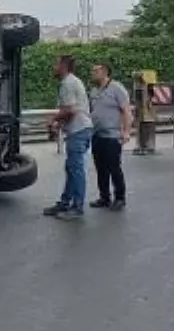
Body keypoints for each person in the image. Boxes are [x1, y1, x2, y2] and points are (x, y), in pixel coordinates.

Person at [43, 55, 94, 221]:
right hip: (81, 129)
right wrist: (59, 124)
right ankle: (65, 203)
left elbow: (70, 110)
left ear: (64, 66)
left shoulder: (67, 83)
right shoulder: (72, 81)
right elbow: (72, 110)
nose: (53, 67)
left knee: (76, 169)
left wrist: (53, 119)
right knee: (72, 168)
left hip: (78, 130)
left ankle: (76, 207)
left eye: (56, 64)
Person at [88, 64, 132, 211]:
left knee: (114, 167)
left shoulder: (116, 88)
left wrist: (126, 131)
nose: (93, 73)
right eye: (92, 71)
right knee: (100, 168)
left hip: (113, 135)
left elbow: (126, 111)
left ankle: (120, 198)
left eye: (96, 71)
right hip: (97, 134)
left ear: (105, 72)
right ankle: (104, 197)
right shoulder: (94, 90)